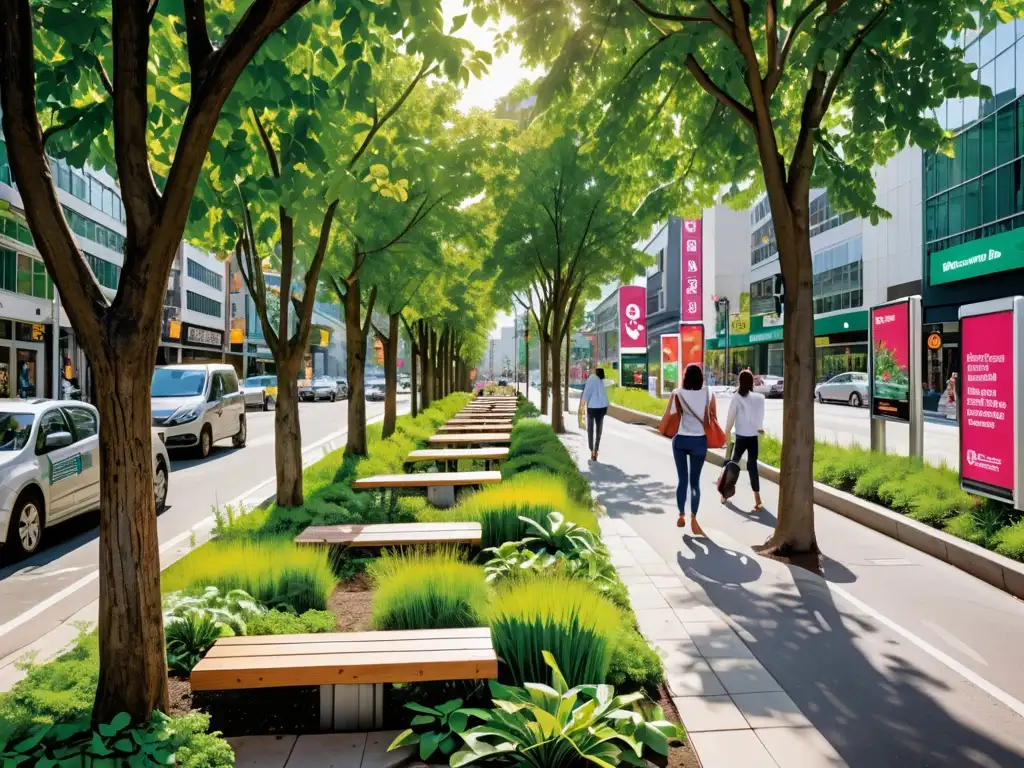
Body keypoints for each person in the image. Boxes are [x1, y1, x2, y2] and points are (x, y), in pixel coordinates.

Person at [667, 363, 716, 536]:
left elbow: (674, 415)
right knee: (694, 482)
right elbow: (713, 417)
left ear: (685, 377)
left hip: (681, 441)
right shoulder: (709, 393)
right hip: (699, 443)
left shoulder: (678, 394)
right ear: (701, 377)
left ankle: (681, 515)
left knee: (682, 480)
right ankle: (694, 517)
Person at [723, 369, 766, 512]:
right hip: (753, 437)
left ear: (740, 382)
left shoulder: (736, 398)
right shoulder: (758, 398)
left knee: (734, 464)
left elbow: (731, 417)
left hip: (741, 436)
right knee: (752, 466)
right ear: (752, 382)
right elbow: (760, 418)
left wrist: (727, 431)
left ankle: (725, 495)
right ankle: (757, 499)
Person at [580, 367, 609, 460]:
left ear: (596, 372)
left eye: (594, 370)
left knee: (590, 429)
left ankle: (591, 449)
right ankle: (595, 450)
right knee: (599, 430)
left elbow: (587, 392)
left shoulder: (592, 379)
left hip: (592, 408)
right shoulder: (601, 381)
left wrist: (582, 405)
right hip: (602, 408)